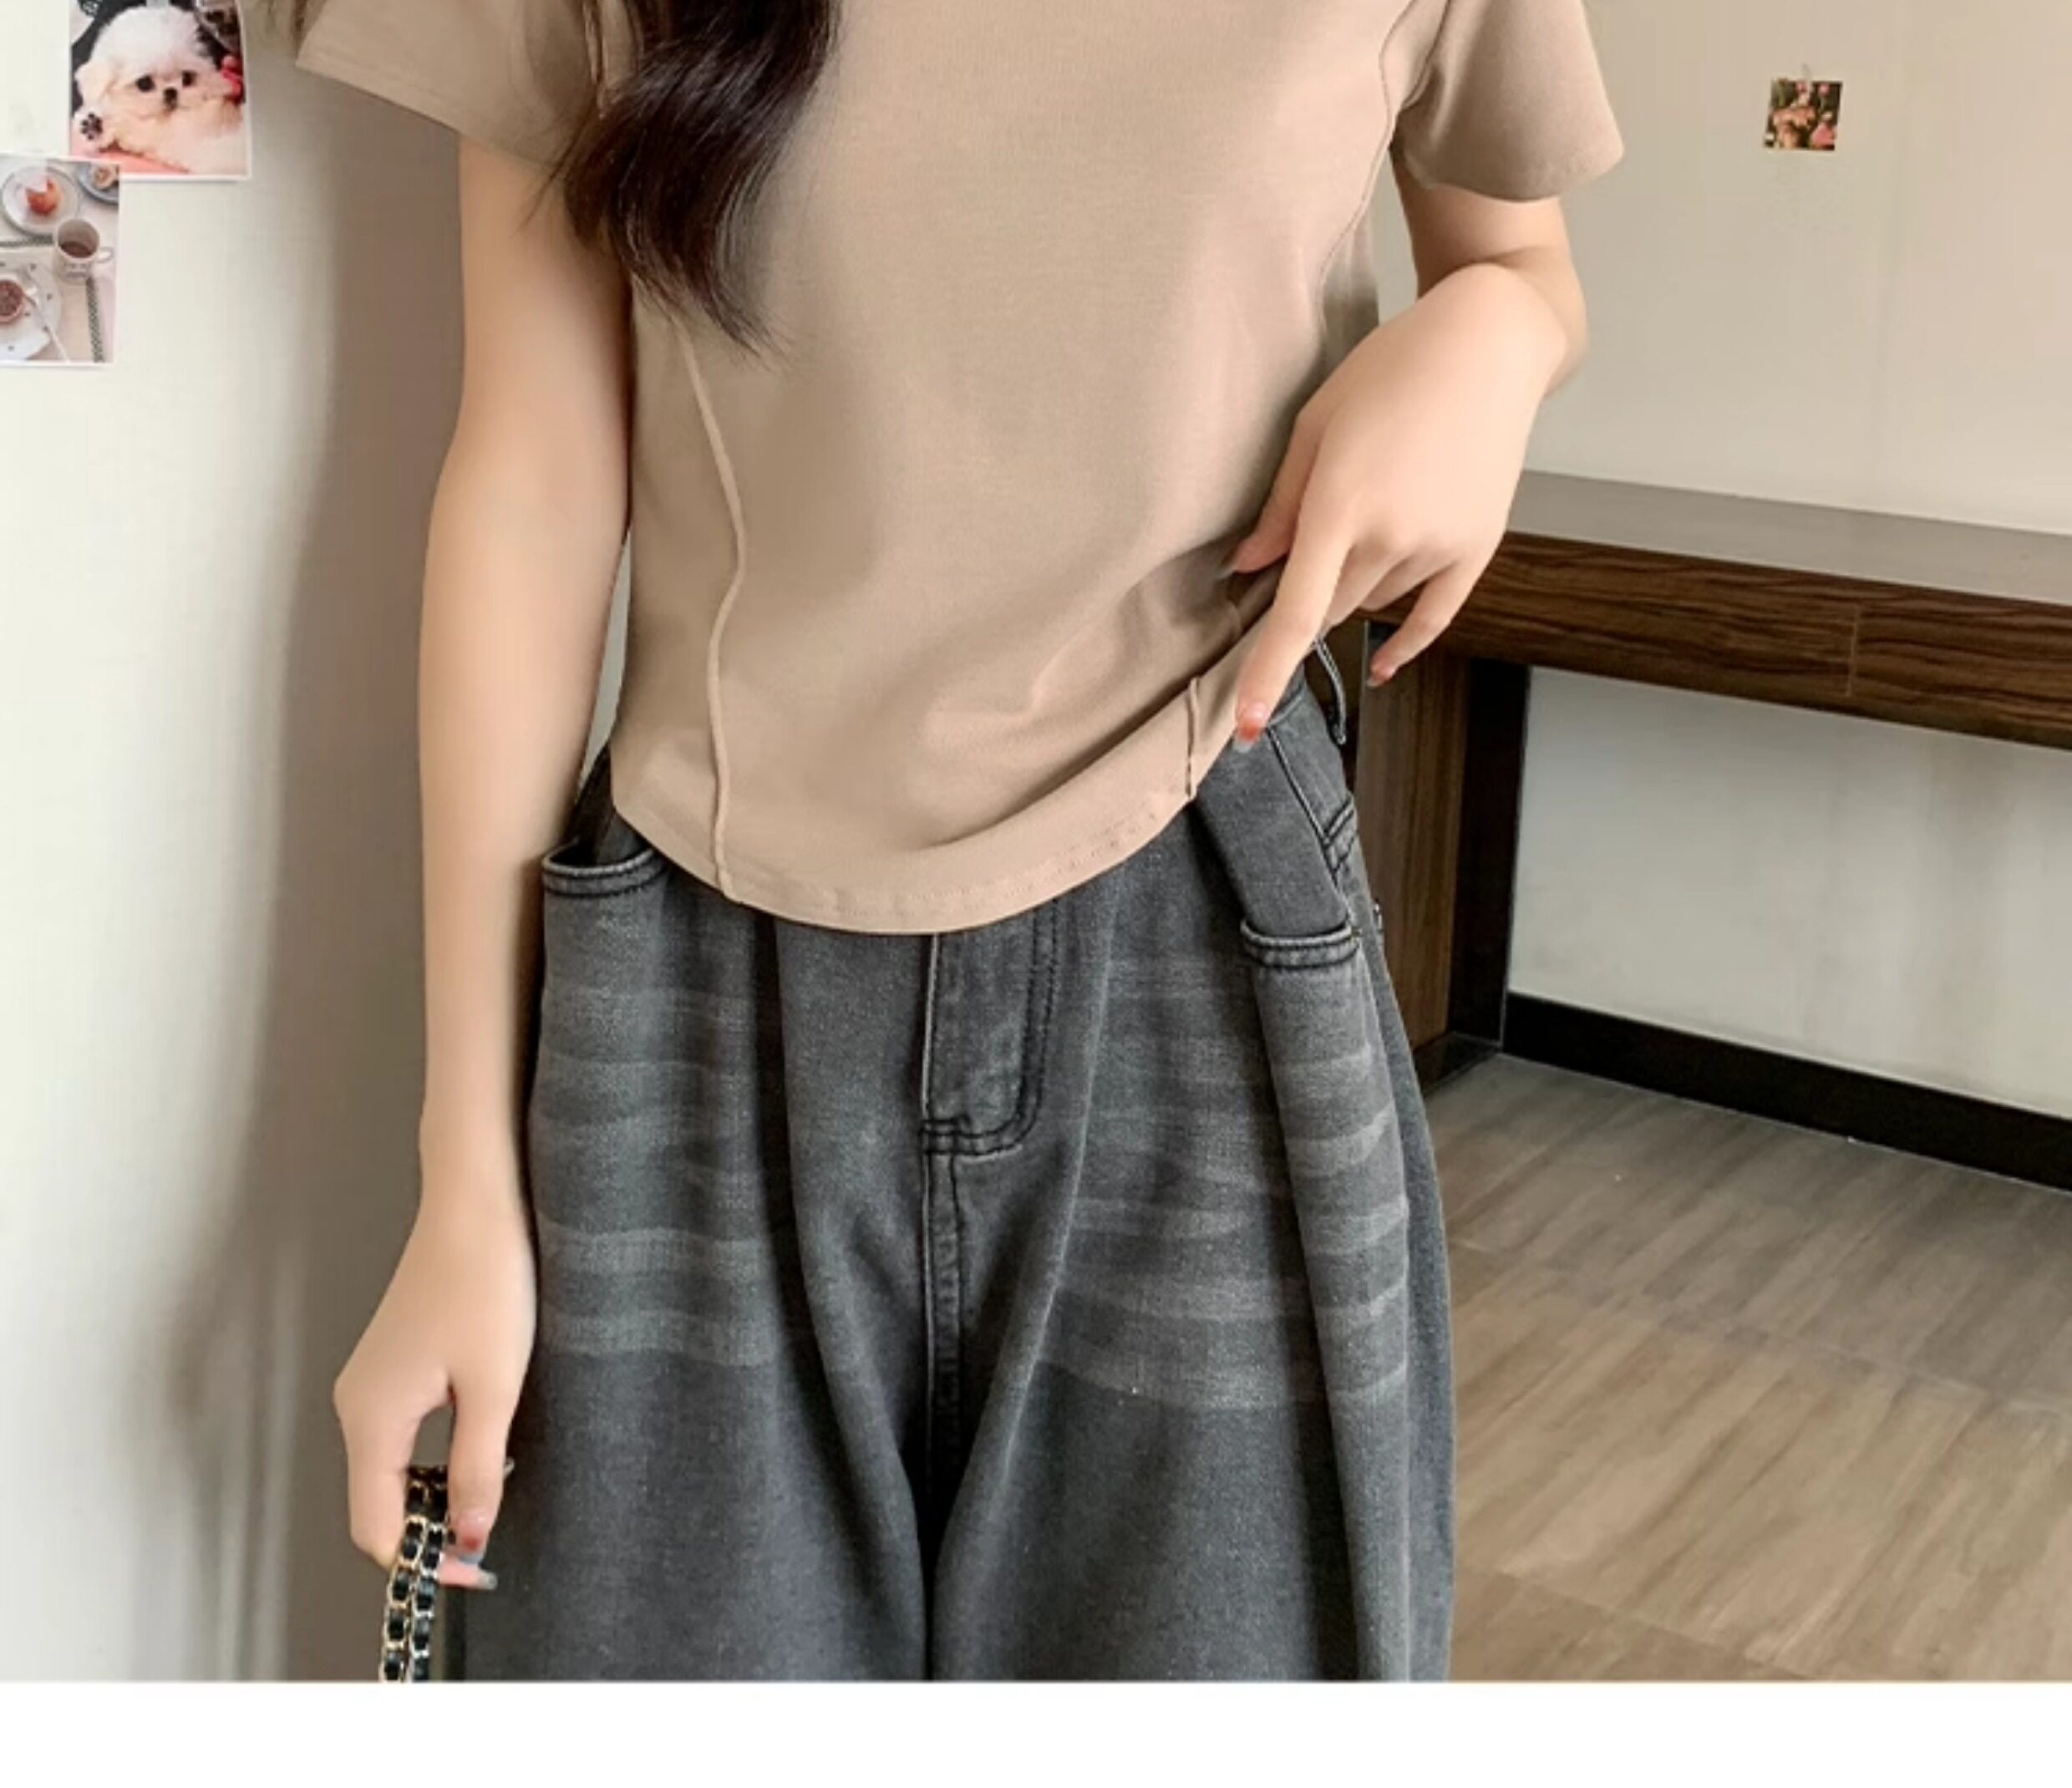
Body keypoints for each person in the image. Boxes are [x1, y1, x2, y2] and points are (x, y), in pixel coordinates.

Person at [287, 0, 1623, 1679]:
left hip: (1211, 928)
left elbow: (1520, 256)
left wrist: (1494, 334)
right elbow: (537, 480)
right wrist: (467, 1175)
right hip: (705, 958)